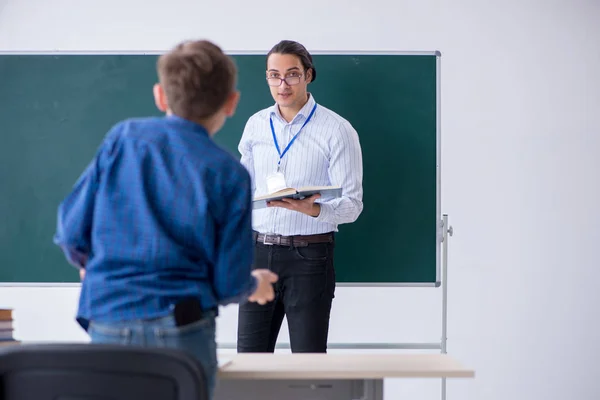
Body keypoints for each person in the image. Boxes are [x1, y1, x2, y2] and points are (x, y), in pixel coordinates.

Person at [53, 39, 278, 398]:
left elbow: (70, 232)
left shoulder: (123, 138)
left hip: (109, 317)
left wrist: (88, 264)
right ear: (231, 103)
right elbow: (228, 284)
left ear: (161, 96)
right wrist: (255, 285)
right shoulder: (230, 174)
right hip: (183, 330)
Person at [236, 40, 364, 353]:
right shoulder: (255, 125)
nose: (282, 84)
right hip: (258, 253)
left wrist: (314, 209)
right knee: (248, 363)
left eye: (292, 75)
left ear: (308, 75)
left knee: (307, 364)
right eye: (273, 75)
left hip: (310, 258)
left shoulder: (337, 130)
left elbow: (352, 206)